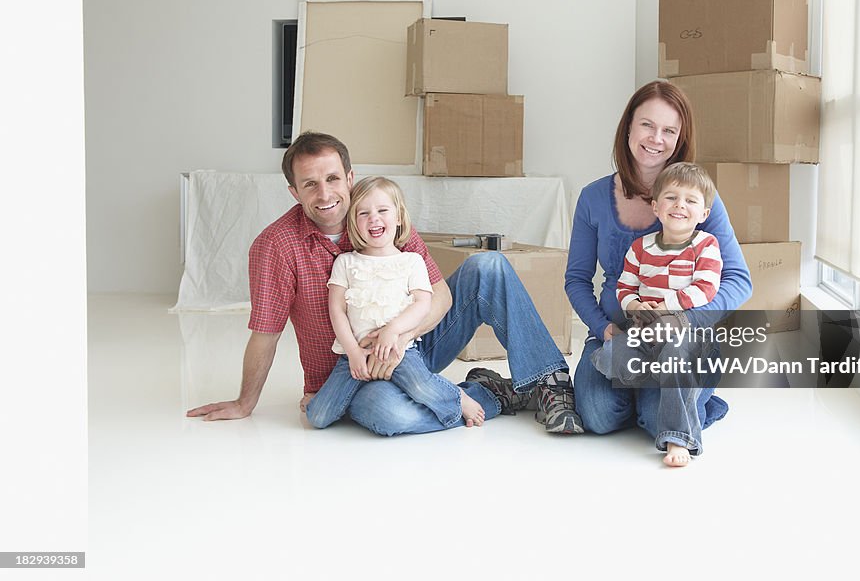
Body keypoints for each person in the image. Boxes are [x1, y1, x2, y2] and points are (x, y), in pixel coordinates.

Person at [187, 131, 582, 435]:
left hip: (414, 346)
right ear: (293, 191)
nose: (325, 194)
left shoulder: (378, 218)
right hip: (353, 371)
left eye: (332, 178)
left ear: (349, 177)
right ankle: (491, 393)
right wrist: (244, 403)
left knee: (489, 267)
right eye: (309, 184)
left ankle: (550, 385)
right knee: (389, 415)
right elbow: (265, 334)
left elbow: (439, 294)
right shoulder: (275, 246)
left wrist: (398, 335)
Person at [564, 81, 753, 462]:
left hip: (679, 340)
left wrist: (683, 320)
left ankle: (690, 391)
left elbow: (738, 280)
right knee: (598, 416)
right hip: (617, 335)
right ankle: (663, 397)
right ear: (628, 128)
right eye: (647, 125)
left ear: (680, 139)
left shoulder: (698, 200)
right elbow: (576, 280)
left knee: (656, 421)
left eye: (669, 130)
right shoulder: (593, 197)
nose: (656, 138)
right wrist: (604, 328)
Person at [304, 176, 486, 429]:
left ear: (398, 217)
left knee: (422, 388)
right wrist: (354, 352)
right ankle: (359, 401)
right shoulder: (345, 263)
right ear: (353, 223)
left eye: (382, 210)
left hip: (399, 351)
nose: (374, 218)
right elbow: (337, 310)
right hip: (354, 356)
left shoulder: (411, 262)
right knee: (318, 418)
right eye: (363, 213)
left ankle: (458, 399)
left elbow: (422, 304)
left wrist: (393, 331)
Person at [590, 162, 723, 467]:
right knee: (608, 359)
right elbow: (625, 287)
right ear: (656, 206)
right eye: (672, 198)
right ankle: (670, 378)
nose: (680, 206)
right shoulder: (641, 248)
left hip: (686, 333)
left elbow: (706, 288)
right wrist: (635, 306)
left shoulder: (706, 245)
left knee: (675, 356)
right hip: (645, 329)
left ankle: (679, 438)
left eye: (691, 201)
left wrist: (665, 305)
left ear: (703, 214)